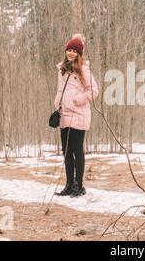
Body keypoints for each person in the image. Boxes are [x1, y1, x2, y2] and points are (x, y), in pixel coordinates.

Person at [53, 34, 99, 197]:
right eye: (69, 50)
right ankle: (68, 185)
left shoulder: (83, 69)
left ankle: (79, 186)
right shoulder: (62, 70)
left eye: (74, 51)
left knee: (77, 151)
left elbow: (93, 90)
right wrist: (57, 102)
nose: (71, 53)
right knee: (66, 152)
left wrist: (76, 100)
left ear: (79, 54)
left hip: (79, 115)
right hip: (64, 115)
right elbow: (61, 90)